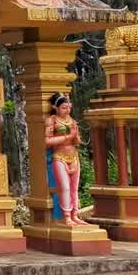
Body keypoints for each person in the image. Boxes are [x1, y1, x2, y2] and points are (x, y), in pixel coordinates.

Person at [45, 93, 86, 226]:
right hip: (59, 156)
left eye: (69, 107)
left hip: (73, 156)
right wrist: (68, 137)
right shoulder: (52, 120)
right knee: (65, 187)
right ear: (55, 107)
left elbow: (77, 141)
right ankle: (66, 216)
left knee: (74, 188)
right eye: (64, 107)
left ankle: (75, 215)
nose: (67, 110)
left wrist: (77, 135)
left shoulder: (72, 120)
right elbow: (47, 141)